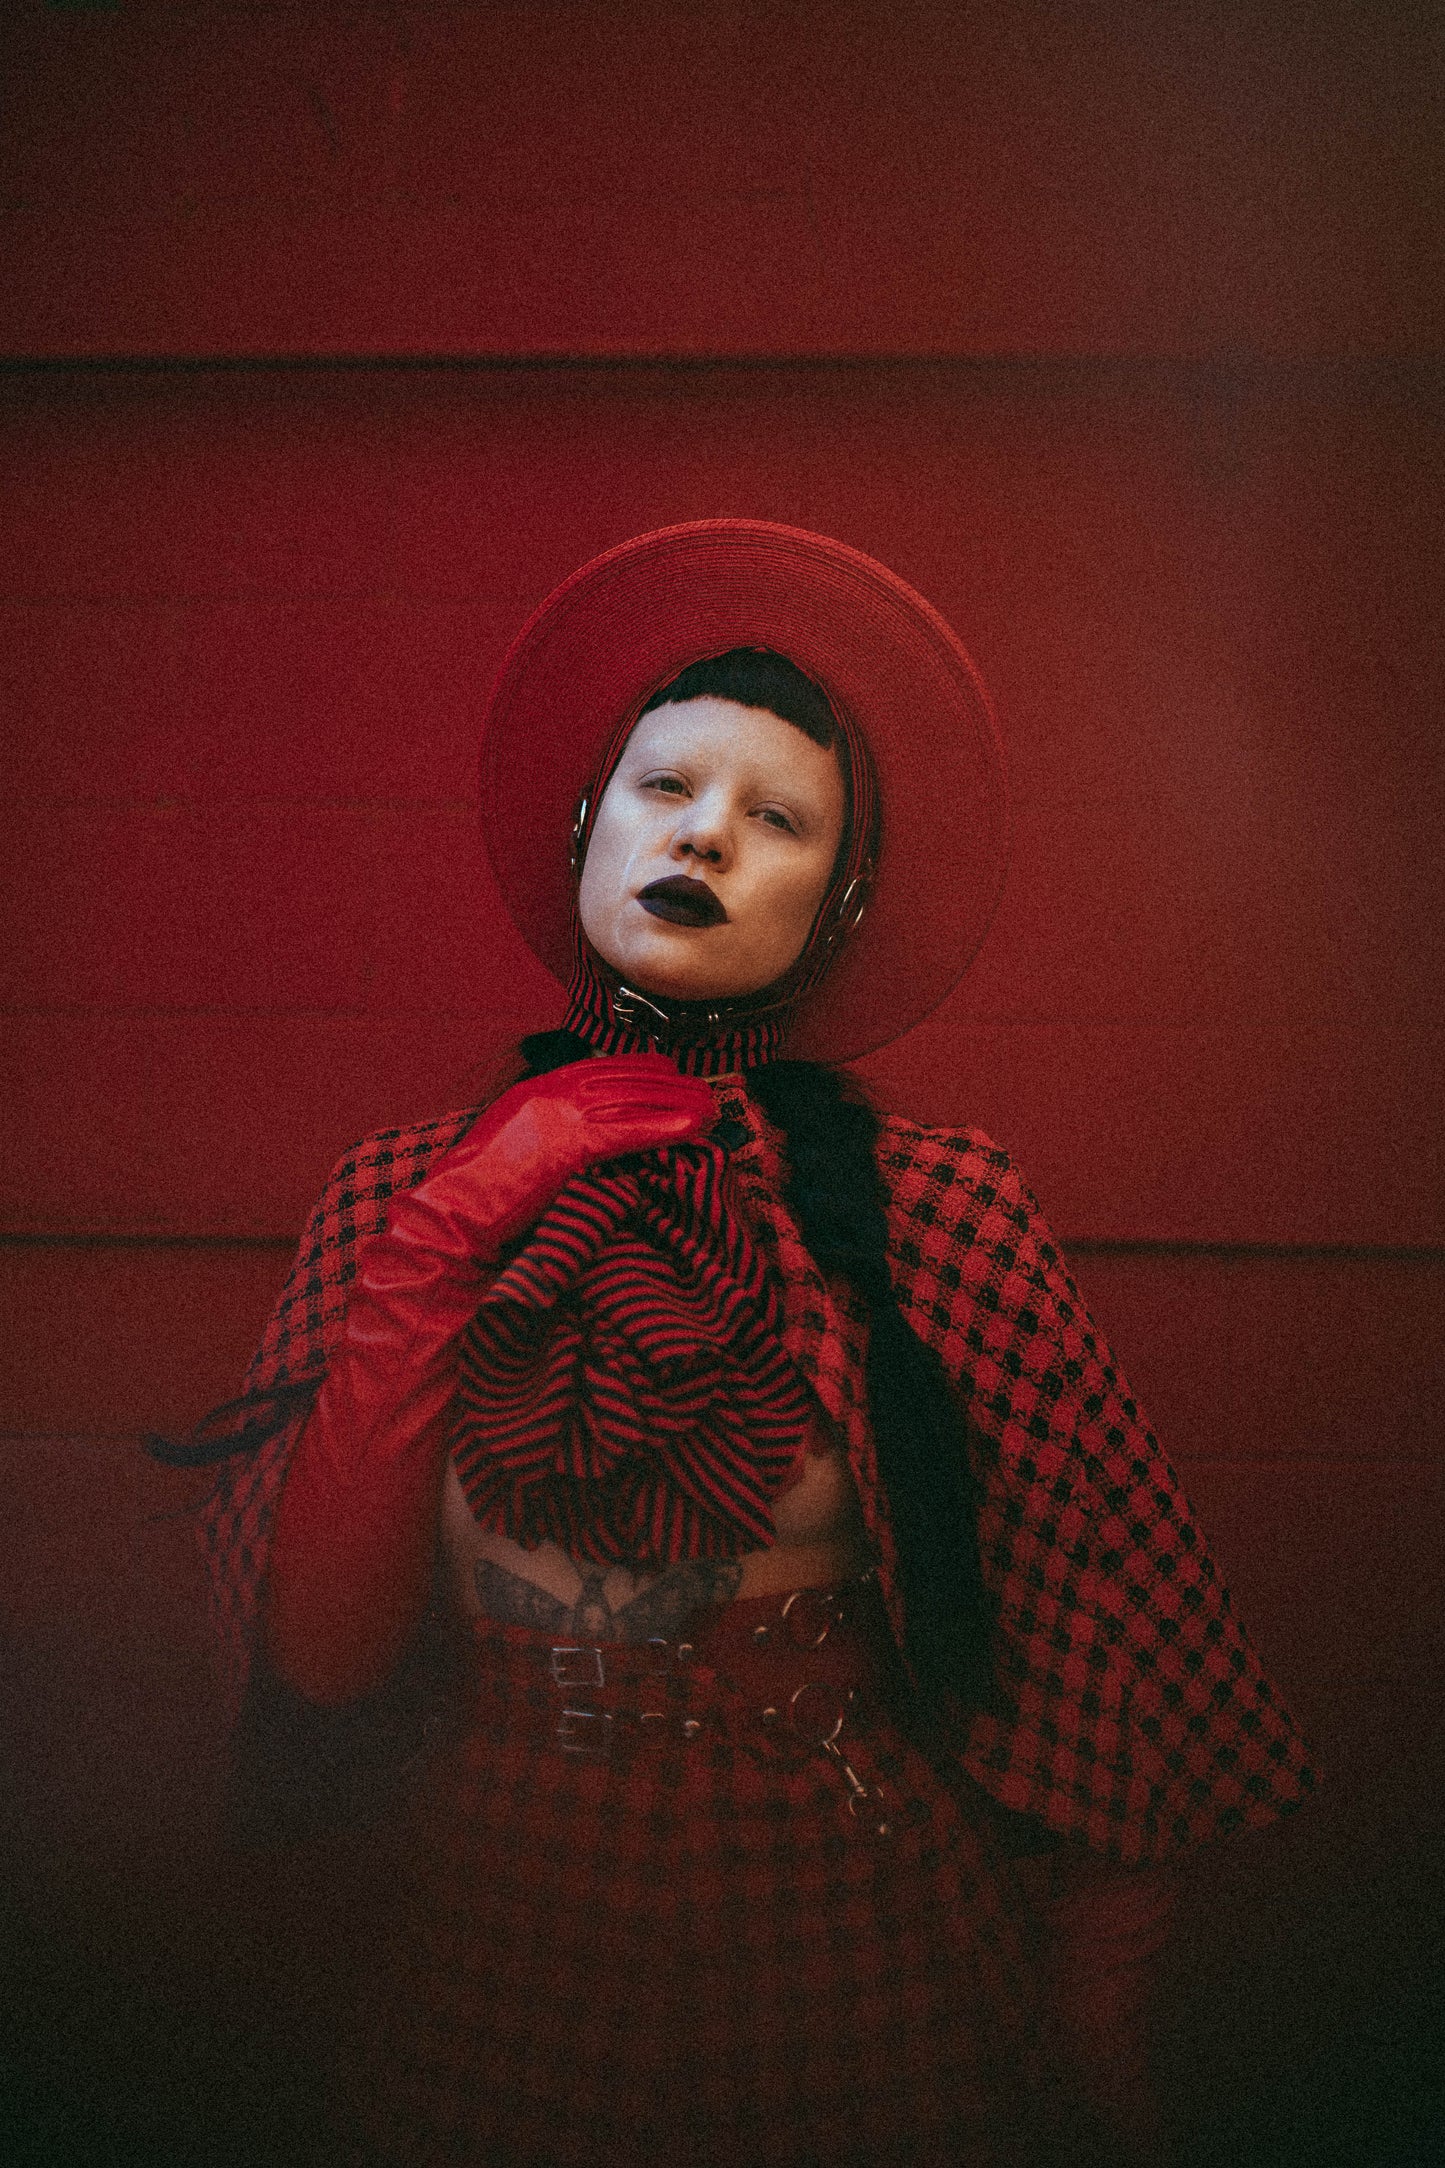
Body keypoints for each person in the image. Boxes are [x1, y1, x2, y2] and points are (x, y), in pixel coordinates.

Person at [181, 522, 1315, 2168]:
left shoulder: (938, 1211)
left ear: (837, 900)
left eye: (773, 819)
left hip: (849, 1918)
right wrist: (447, 1234)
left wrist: (1095, 2031)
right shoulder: (393, 1194)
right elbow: (320, 1661)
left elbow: (1102, 1654)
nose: (703, 835)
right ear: (585, 829)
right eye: (661, 791)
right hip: (493, 1924)